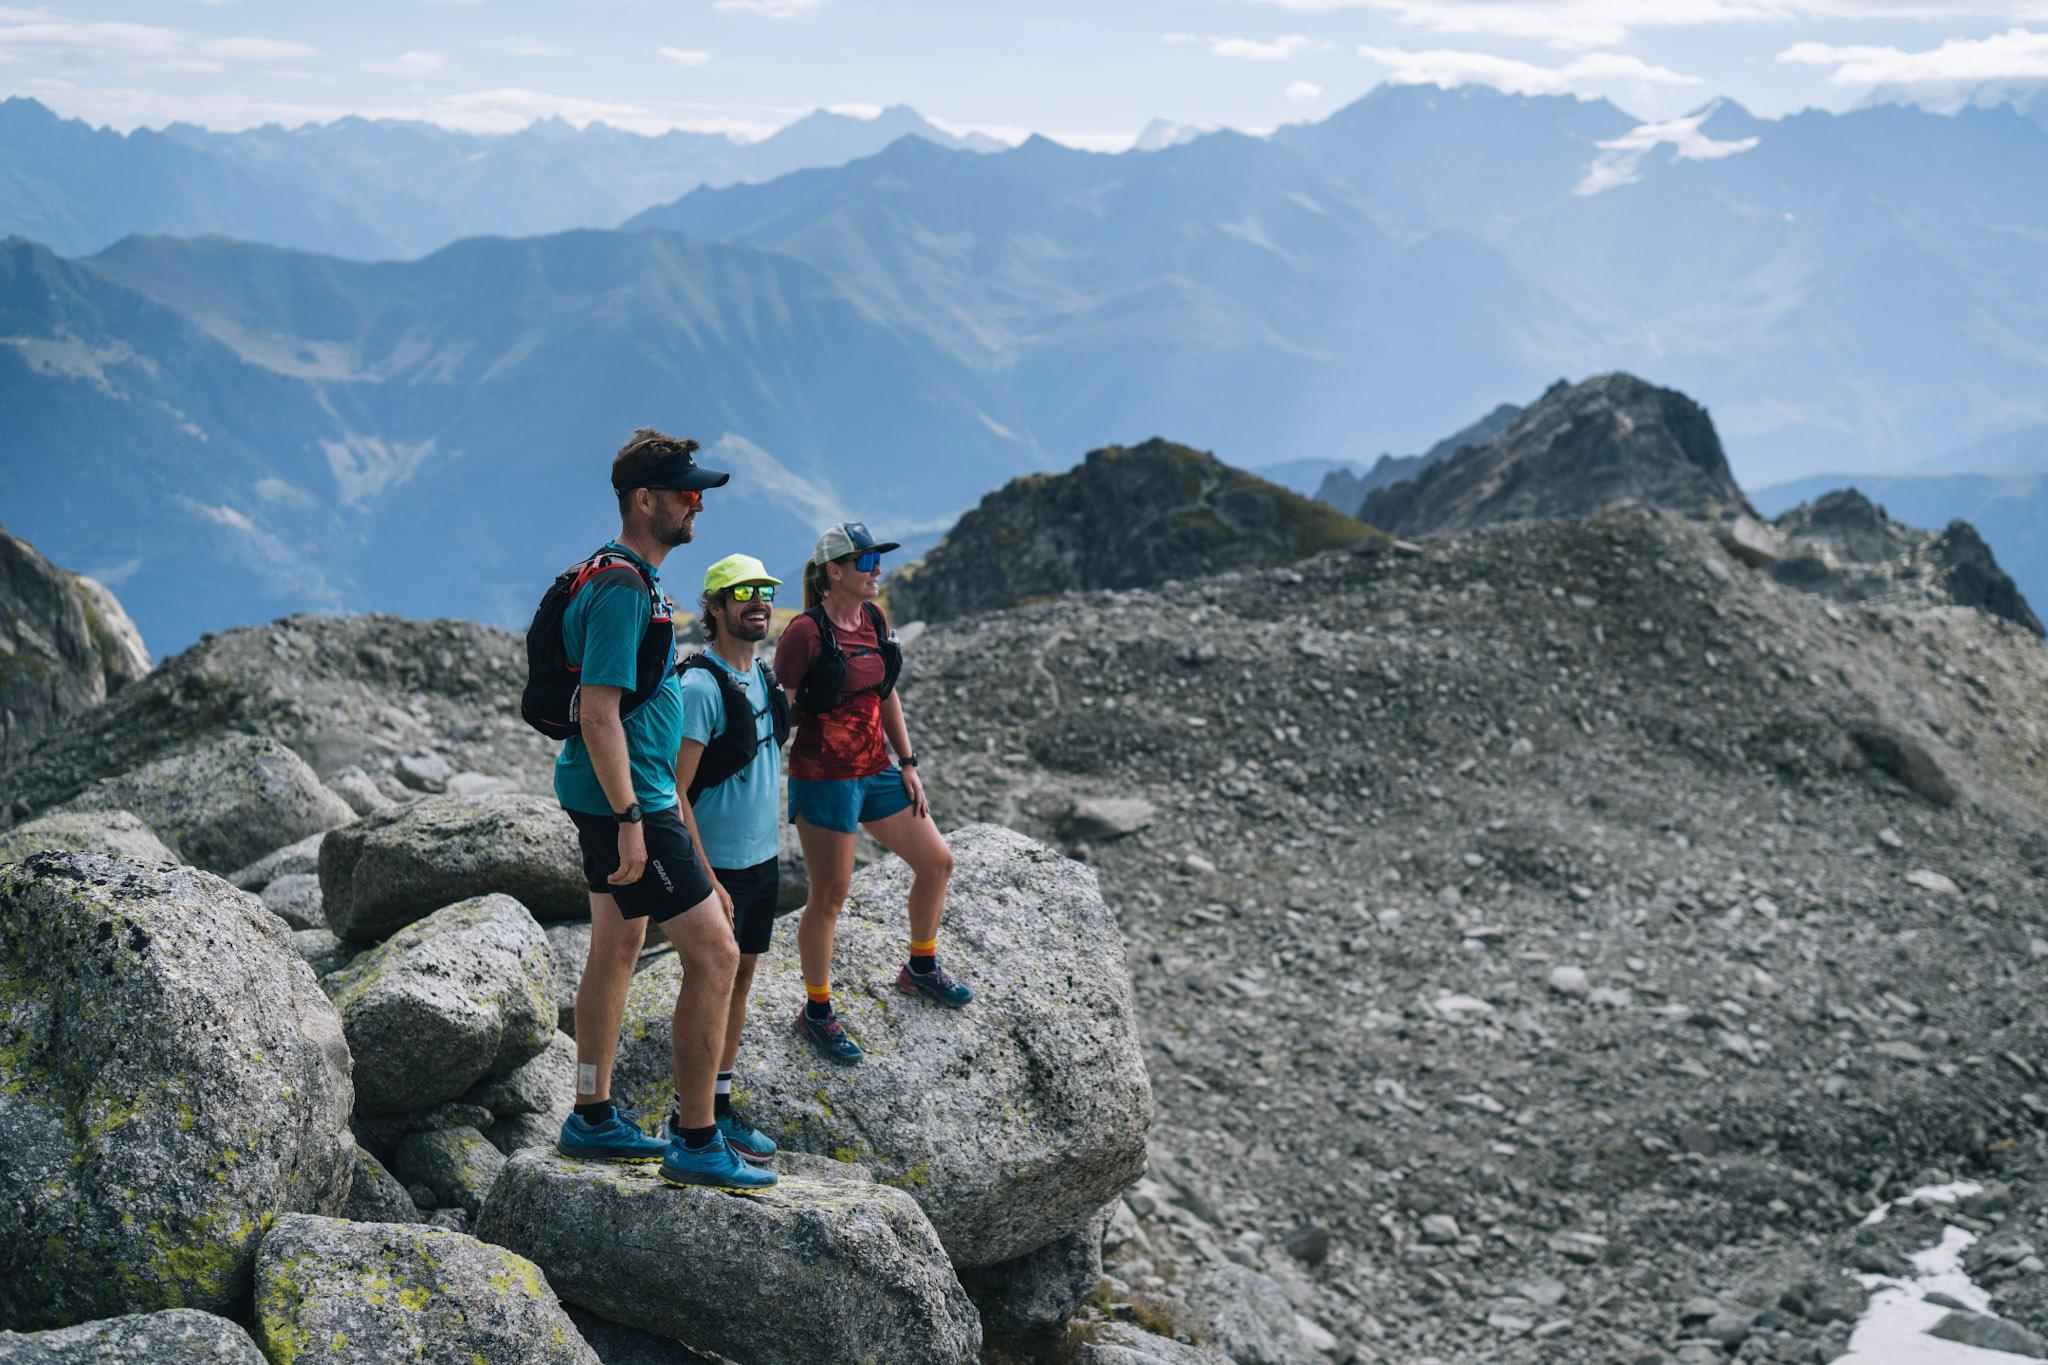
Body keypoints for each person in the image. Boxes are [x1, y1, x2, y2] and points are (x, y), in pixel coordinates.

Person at [550, 429, 775, 1192]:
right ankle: (696, 1136)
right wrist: (632, 820)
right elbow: (600, 713)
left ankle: (591, 1112)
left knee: (617, 941)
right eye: (684, 491)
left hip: (610, 796)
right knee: (715, 951)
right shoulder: (620, 588)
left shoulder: (624, 577)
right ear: (644, 500)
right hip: (633, 800)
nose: (697, 501)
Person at [775, 521, 967, 1067]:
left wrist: (908, 763)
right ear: (834, 571)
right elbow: (780, 710)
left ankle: (921, 968)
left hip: (877, 770)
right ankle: (816, 1010)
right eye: (865, 561)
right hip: (824, 778)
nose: (876, 569)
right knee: (830, 895)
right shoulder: (804, 634)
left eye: (876, 559)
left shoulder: (875, 619)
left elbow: (886, 694)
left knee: (937, 861)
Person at [669, 553, 789, 1164]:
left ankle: (718, 1103)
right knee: (711, 981)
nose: (757, 602)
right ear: (713, 607)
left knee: (741, 981)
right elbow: (676, 792)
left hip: (762, 860)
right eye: (741, 593)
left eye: (764, 590)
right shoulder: (699, 688)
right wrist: (708, 879)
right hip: (717, 865)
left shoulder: (763, 676)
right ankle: (690, 1118)